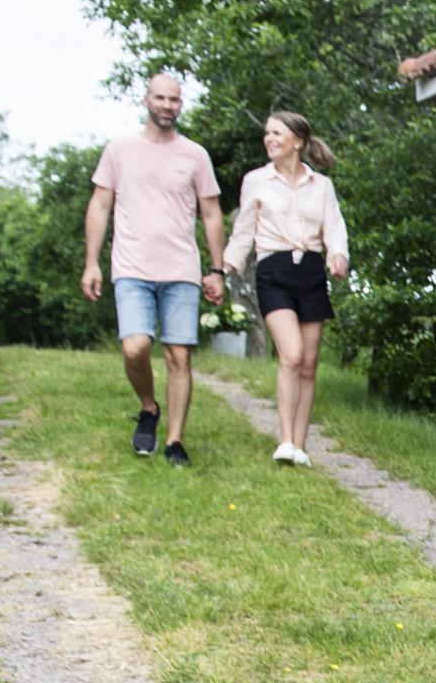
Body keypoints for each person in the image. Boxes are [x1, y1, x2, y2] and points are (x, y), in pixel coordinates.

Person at [81, 73, 226, 465]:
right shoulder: (120, 150)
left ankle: (174, 442)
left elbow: (211, 213)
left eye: (174, 100)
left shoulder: (195, 155)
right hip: (131, 267)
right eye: (160, 98)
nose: (167, 106)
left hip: (181, 269)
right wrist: (91, 262)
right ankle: (148, 407)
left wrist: (217, 269)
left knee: (179, 356)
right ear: (146, 100)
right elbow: (99, 206)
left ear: (181, 104)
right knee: (135, 347)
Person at [221, 110, 350, 465]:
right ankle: (285, 440)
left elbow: (334, 227)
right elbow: (243, 230)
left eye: (277, 133)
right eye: (267, 134)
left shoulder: (320, 185)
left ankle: (301, 448)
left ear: (298, 141)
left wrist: (337, 256)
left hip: (310, 271)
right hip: (273, 270)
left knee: (308, 365)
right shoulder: (256, 181)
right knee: (291, 355)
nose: (269, 139)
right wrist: (224, 267)